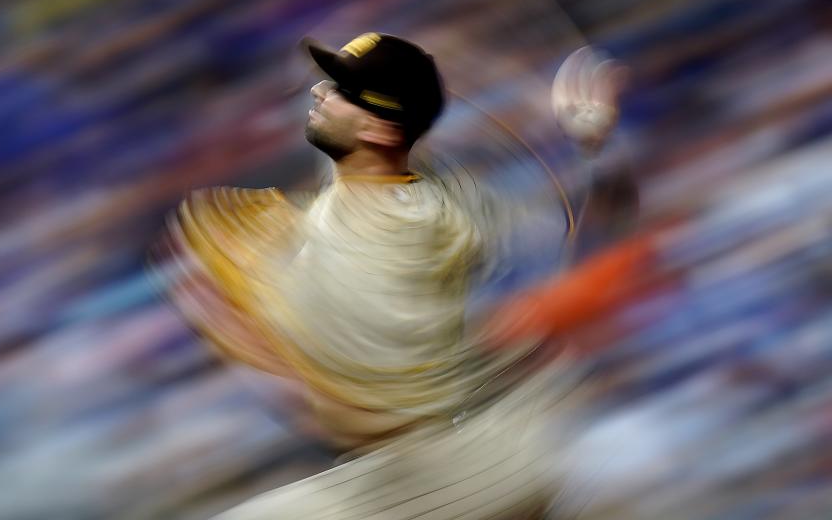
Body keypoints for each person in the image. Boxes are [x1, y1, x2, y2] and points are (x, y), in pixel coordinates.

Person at [159, 32, 628, 518]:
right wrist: (597, 153)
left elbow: (365, 420)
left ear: (379, 131)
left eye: (341, 91)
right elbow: (582, 240)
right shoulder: (412, 191)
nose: (320, 92)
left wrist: (254, 340)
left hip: (449, 469)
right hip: (476, 449)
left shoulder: (387, 242)